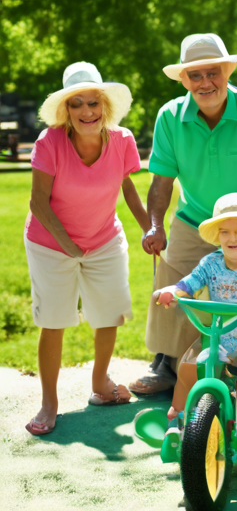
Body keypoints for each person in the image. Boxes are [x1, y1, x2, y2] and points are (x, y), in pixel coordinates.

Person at [130, 33, 237, 395]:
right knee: (172, 275)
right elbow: (162, 181)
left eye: (213, 72)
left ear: (227, 73)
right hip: (195, 218)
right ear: (184, 80)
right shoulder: (169, 117)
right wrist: (156, 226)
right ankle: (166, 363)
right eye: (196, 75)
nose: (206, 82)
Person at [24, 62, 151, 435]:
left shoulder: (123, 139)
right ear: (66, 110)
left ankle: (100, 384)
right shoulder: (49, 143)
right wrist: (68, 246)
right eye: (76, 104)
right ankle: (50, 403)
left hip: (104, 239)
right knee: (54, 320)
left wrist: (150, 228)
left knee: (110, 313)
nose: (86, 112)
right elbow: (38, 203)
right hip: (51, 243)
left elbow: (127, 188)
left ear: (105, 105)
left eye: (92, 103)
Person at [154, 193, 237, 438]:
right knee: (188, 367)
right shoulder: (210, 263)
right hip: (219, 335)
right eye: (225, 232)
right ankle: (177, 417)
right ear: (218, 236)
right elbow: (188, 284)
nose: (233, 237)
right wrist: (171, 291)